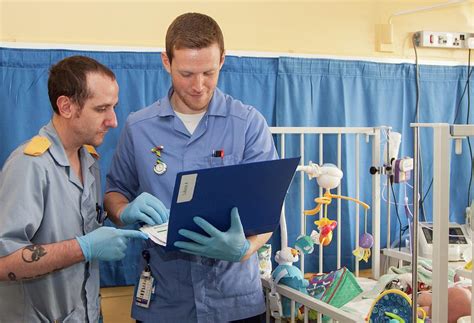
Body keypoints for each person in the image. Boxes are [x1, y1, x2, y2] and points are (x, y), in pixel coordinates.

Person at [104, 12, 278, 322]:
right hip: (164, 301)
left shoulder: (248, 124)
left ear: (222, 60)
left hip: (234, 301)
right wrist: (124, 211)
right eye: (186, 74)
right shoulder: (139, 127)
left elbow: (267, 210)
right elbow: (114, 192)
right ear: (166, 62)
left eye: (209, 73)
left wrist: (244, 249)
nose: (198, 86)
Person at [0, 55, 148, 322]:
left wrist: (122, 213)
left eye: (114, 107)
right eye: (101, 109)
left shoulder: (89, 159)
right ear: (66, 106)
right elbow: (3, 263)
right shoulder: (29, 165)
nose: (113, 120)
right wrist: (84, 248)